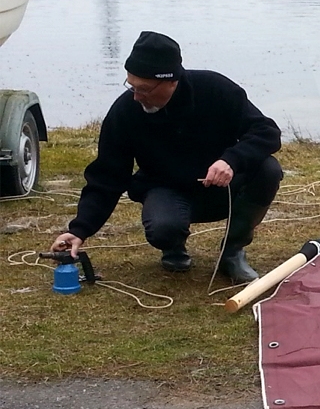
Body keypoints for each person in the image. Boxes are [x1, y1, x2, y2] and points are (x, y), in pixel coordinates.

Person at [51, 31, 283, 283]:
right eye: (131, 86)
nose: (137, 96)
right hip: (165, 191)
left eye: (144, 89)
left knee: (268, 169)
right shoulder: (126, 111)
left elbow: (266, 132)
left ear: (172, 81)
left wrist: (231, 160)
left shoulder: (216, 90)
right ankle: (172, 246)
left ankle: (232, 252)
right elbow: (107, 176)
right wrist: (80, 230)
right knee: (163, 227)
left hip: (220, 189)